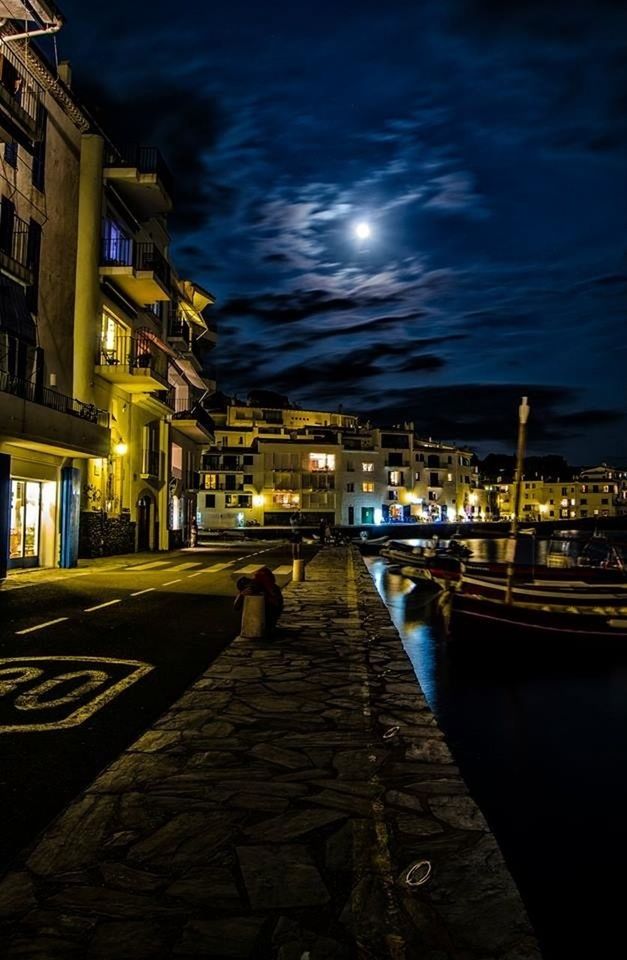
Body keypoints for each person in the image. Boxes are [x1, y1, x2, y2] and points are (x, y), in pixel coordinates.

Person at [252, 566, 284, 634]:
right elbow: (236, 606)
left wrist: (266, 596)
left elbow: (277, 605)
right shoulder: (253, 587)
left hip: (268, 616)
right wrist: (242, 594)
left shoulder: (273, 588)